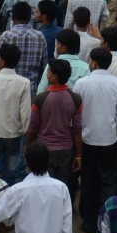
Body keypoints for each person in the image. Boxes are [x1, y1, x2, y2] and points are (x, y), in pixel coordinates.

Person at [73, 47, 117, 233]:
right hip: (109, 139)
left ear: (94, 62)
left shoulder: (81, 84)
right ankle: (108, 222)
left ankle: (89, 221)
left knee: (89, 180)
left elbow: (76, 115)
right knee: (110, 181)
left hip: (87, 139)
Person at [25, 57, 82, 186]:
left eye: (49, 72)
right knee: (62, 186)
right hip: (66, 151)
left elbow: (33, 128)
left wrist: (28, 149)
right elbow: (77, 130)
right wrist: (78, 155)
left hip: (44, 151)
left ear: (55, 76)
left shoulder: (41, 99)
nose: (47, 74)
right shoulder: (75, 99)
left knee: (43, 186)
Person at [0, 44, 31, 186]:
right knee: (11, 173)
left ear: (1, 61)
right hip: (14, 135)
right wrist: (24, 131)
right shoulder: (24, 83)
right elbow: (26, 113)